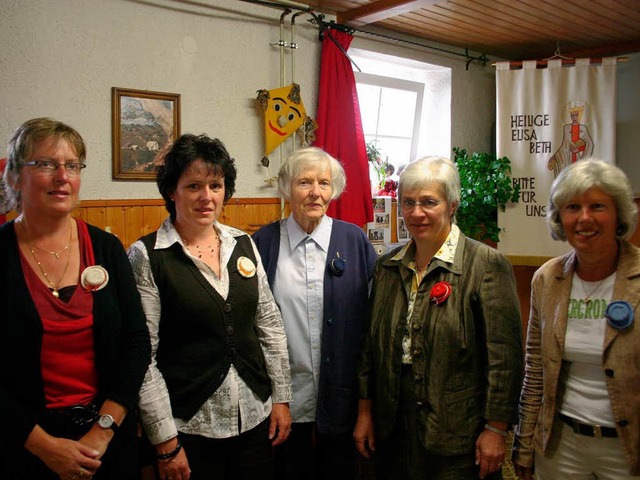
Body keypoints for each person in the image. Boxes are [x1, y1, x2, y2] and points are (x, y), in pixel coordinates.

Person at [127, 133, 292, 480]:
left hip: (255, 417)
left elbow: (269, 323)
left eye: (215, 185)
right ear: (172, 191)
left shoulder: (243, 243)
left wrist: (281, 398)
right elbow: (144, 356)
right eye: (194, 186)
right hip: (189, 427)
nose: (206, 197)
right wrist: (165, 441)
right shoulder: (148, 256)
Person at [354, 156, 524, 480]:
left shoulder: (485, 264)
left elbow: (505, 359)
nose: (417, 213)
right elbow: (368, 345)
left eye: (429, 202)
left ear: (452, 205)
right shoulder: (388, 265)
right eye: (409, 203)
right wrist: (365, 411)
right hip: (393, 425)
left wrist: (496, 428)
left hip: (457, 431)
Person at [0, 117, 151, 479]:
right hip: (22, 445)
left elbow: (137, 342)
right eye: (46, 164)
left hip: (107, 442)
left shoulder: (106, 248)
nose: (62, 176)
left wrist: (103, 430)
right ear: (16, 176)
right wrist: (43, 446)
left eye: (72, 166)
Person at [253, 147, 377, 480]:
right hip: (282, 402)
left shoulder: (355, 241)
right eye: (304, 182)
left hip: (344, 399)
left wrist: (366, 405)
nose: (315, 192)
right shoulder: (262, 243)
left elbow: (370, 326)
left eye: (324, 183)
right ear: (286, 189)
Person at [512, 159, 640, 479]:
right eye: (572, 207)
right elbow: (535, 370)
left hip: (628, 448)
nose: (584, 218)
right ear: (560, 218)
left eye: (597, 206)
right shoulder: (547, 279)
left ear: (618, 215)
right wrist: (525, 445)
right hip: (562, 445)